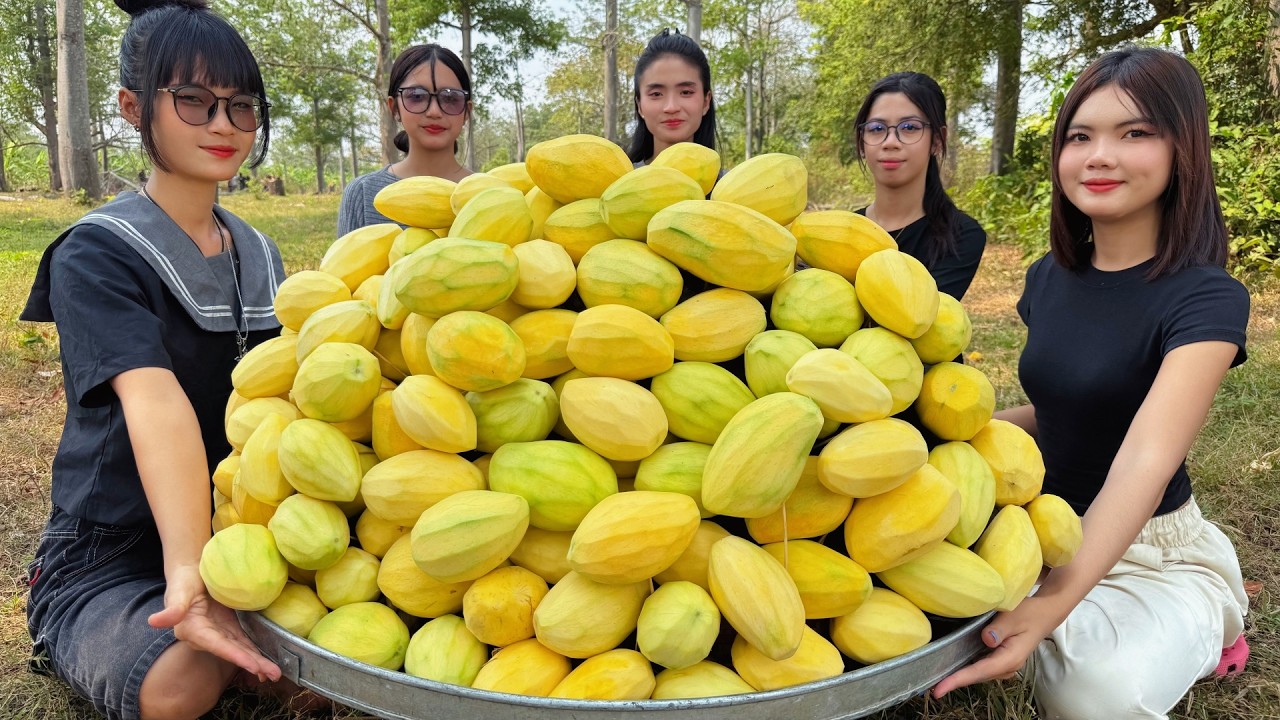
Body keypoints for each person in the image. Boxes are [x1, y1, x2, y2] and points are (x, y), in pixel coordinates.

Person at [932, 47, 1250, 719]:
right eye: (1081, 136)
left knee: (1088, 697)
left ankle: (1211, 615)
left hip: (1147, 549)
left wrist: (1049, 605)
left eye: (1134, 133)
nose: (1099, 156)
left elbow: (1145, 458)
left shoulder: (1207, 299)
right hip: (1036, 523)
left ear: (1181, 150)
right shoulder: (1049, 276)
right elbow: (1057, 413)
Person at [21, 1, 288, 718]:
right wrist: (188, 573)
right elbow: (154, 402)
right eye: (194, 102)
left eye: (241, 106)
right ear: (134, 107)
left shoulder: (261, 255)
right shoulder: (97, 252)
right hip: (112, 550)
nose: (224, 125)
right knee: (180, 683)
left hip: (244, 531)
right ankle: (83, 626)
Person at [852, 72, 986, 299]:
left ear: (936, 140)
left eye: (909, 128)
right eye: (876, 129)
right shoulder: (845, 229)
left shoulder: (961, 236)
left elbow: (916, 319)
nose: (890, 142)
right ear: (862, 143)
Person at [338, 44, 473, 235]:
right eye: (416, 96)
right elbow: (341, 265)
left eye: (450, 99)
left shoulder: (490, 193)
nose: (434, 111)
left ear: (467, 111)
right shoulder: (362, 193)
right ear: (394, 108)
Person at [627, 28, 717, 166]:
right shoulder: (617, 182)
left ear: (706, 101)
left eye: (686, 92)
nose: (671, 107)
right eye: (656, 94)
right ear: (639, 106)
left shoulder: (732, 186)